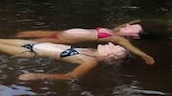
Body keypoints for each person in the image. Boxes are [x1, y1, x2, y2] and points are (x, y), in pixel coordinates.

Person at [0, 34, 129, 81]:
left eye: (114, 48)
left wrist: (37, 75)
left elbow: (71, 77)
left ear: (111, 59)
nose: (110, 44)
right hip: (32, 43)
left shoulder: (91, 61)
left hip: (30, 51)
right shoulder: (90, 50)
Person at [15, 19, 155, 65]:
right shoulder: (116, 30)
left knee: (32, 42)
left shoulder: (117, 38)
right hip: (63, 32)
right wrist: (134, 21)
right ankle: (12, 40)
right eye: (131, 25)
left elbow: (132, 48)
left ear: (134, 36)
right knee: (24, 34)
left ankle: (13, 47)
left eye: (132, 28)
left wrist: (144, 55)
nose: (128, 27)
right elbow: (125, 24)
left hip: (67, 38)